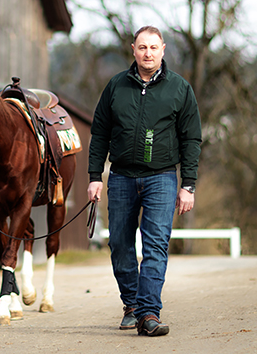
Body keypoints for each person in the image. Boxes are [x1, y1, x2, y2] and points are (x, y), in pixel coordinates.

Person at [87, 25, 202, 337]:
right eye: (142, 47)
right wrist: (95, 176)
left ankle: (149, 312)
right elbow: (99, 134)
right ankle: (132, 305)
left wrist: (188, 184)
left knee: (155, 245)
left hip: (162, 177)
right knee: (119, 244)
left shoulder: (179, 88)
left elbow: (192, 138)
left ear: (163, 49)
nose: (148, 53)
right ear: (133, 50)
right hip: (122, 176)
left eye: (153, 47)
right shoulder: (115, 87)